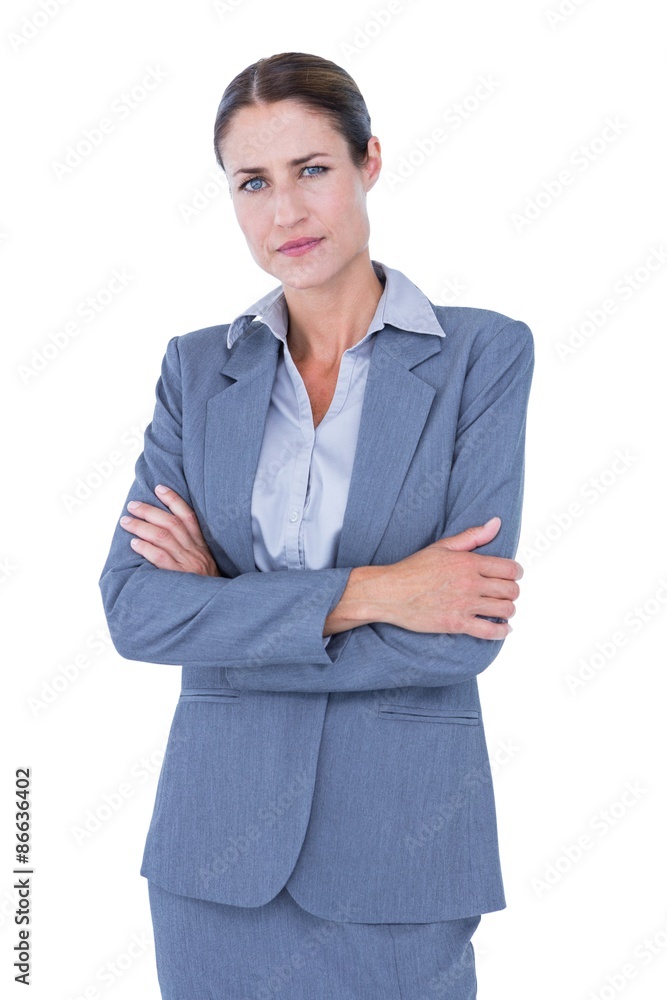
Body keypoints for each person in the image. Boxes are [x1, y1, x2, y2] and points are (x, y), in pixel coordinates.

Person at [99, 50, 534, 1000]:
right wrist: (378, 593)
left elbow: (462, 633)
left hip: (399, 855)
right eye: (252, 182)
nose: (284, 213)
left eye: (312, 170)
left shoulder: (482, 356)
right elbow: (135, 612)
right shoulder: (195, 370)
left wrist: (224, 610)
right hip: (212, 866)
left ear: (368, 160)